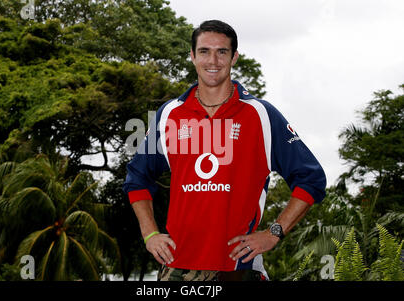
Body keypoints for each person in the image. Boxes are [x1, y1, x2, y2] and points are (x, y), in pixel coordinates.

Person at [123, 20, 326, 281]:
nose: (213, 60)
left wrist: (274, 231)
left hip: (238, 266)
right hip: (176, 266)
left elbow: (312, 179)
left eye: (222, 52)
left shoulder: (261, 115)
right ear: (192, 56)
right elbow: (137, 176)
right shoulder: (168, 114)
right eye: (205, 51)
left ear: (234, 57)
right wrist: (150, 233)